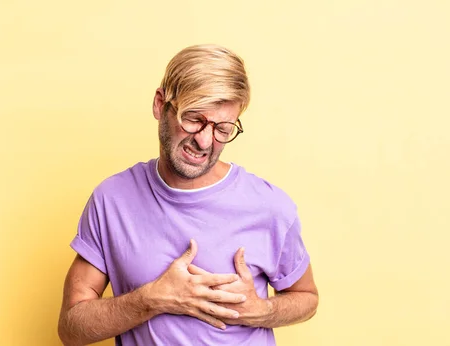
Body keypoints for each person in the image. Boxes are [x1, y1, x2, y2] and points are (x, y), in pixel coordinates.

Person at [57, 44, 319, 346]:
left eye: (223, 128)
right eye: (194, 118)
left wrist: (261, 310)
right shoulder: (111, 200)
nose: (205, 141)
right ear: (160, 104)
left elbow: (307, 297)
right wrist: (152, 299)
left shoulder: (270, 206)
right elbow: (71, 329)